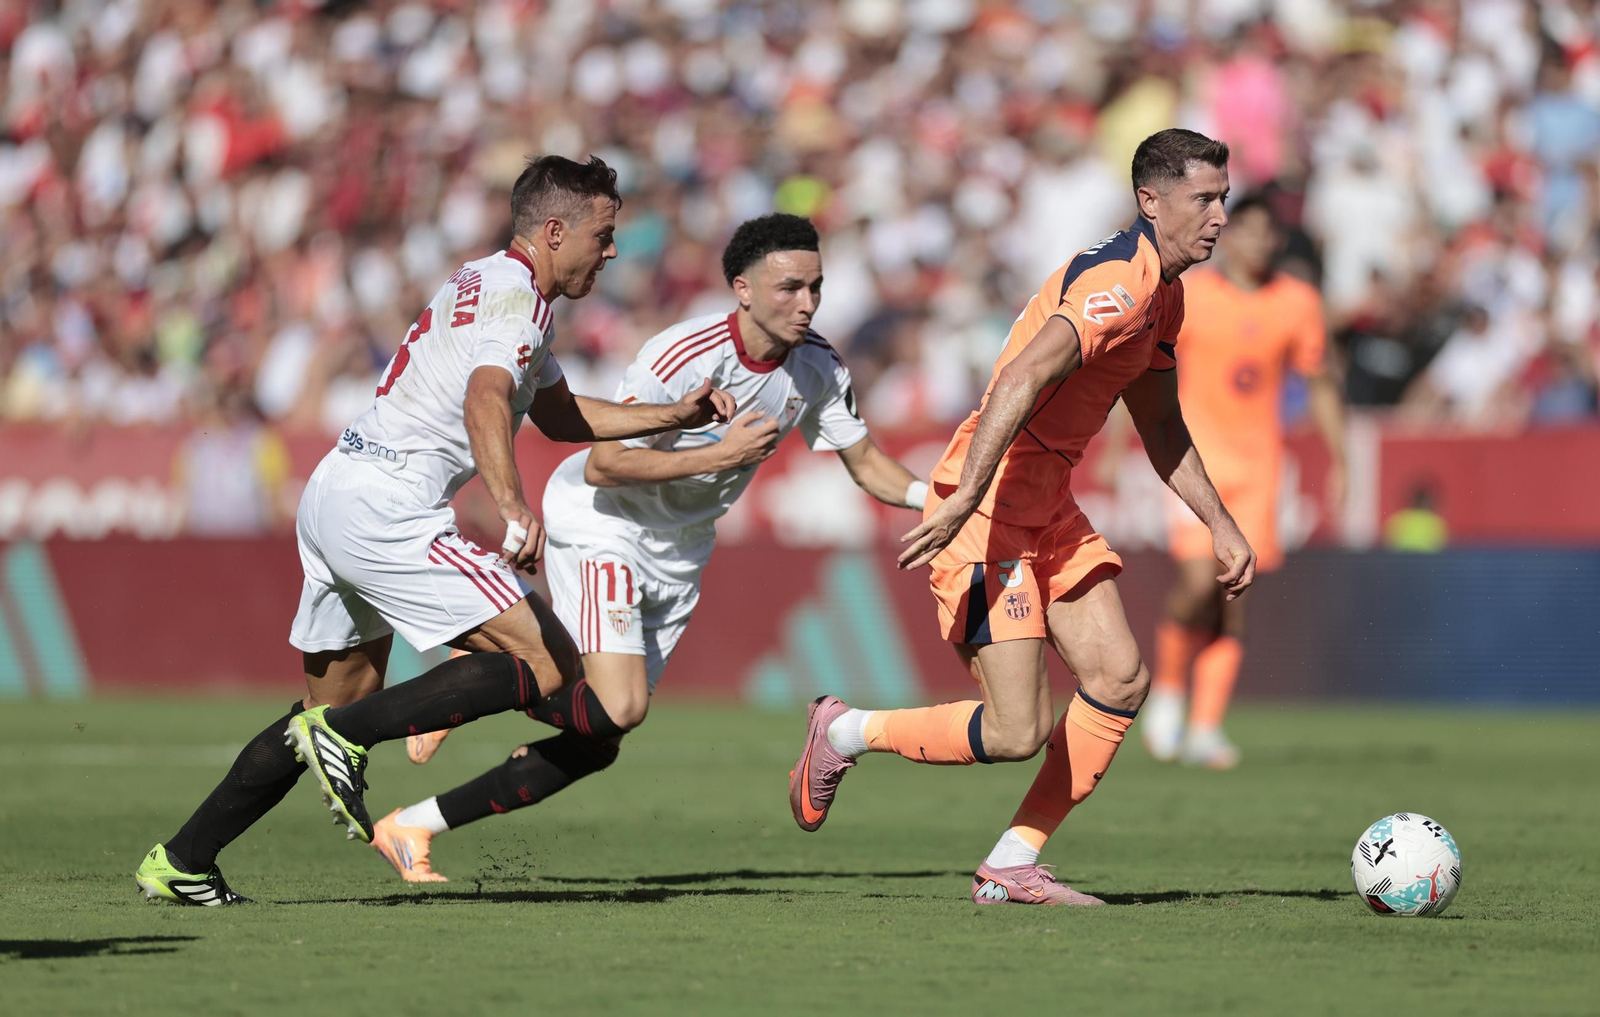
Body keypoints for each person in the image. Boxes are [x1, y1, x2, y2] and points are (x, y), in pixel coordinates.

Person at [134, 155, 734, 905]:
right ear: (555, 231)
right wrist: (512, 503)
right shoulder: (520, 304)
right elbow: (488, 397)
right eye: (604, 234)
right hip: (389, 506)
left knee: (322, 713)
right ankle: (350, 737)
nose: (612, 250)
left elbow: (554, 413)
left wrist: (674, 415)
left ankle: (184, 859)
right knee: (545, 658)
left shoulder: (491, 280)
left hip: (337, 491)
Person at [369, 214, 927, 881]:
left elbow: (867, 464)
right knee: (621, 704)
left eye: (816, 287)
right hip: (607, 521)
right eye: (789, 288)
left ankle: (413, 824)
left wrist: (941, 500)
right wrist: (718, 454)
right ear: (742, 289)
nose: (806, 303)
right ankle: (486, 660)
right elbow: (605, 464)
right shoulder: (684, 354)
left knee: (600, 740)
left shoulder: (818, 367)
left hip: (680, 548)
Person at [787, 129, 1256, 906]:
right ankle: (842, 731)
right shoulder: (1121, 283)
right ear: (1151, 200)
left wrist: (1221, 521)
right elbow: (1022, 376)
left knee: (1119, 678)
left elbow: (1161, 422)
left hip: (1046, 500)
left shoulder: (1165, 295)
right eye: (1204, 199)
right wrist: (967, 493)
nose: (1218, 216)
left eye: (1223, 199)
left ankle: (1012, 862)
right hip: (991, 504)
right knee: (1014, 731)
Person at [1141, 194, 1347, 769]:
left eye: (1267, 234)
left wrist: (1341, 458)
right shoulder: (1190, 295)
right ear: (1230, 235)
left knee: (1234, 596)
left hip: (1260, 468)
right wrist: (1113, 444)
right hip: (1193, 463)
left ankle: (1206, 727)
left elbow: (1321, 383)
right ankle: (1170, 695)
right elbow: (1139, 369)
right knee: (1196, 583)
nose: (1257, 242)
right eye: (1247, 230)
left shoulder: (1297, 302)